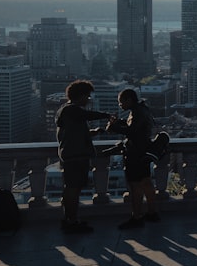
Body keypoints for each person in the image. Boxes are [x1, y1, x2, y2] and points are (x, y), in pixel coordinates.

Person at [55, 79, 112, 234]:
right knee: (73, 189)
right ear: (80, 96)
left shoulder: (67, 111)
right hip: (75, 156)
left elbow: (79, 133)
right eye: (87, 96)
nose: (88, 100)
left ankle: (69, 219)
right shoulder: (71, 110)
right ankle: (71, 221)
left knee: (71, 189)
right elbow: (87, 115)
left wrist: (96, 132)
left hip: (72, 155)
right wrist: (106, 115)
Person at [103, 88, 160, 229]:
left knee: (135, 186)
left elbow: (132, 131)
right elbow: (134, 126)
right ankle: (152, 212)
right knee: (146, 182)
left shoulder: (137, 112)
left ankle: (137, 217)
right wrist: (119, 123)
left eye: (121, 102)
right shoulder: (142, 109)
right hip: (144, 151)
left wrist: (114, 128)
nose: (120, 105)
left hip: (135, 153)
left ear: (129, 99)